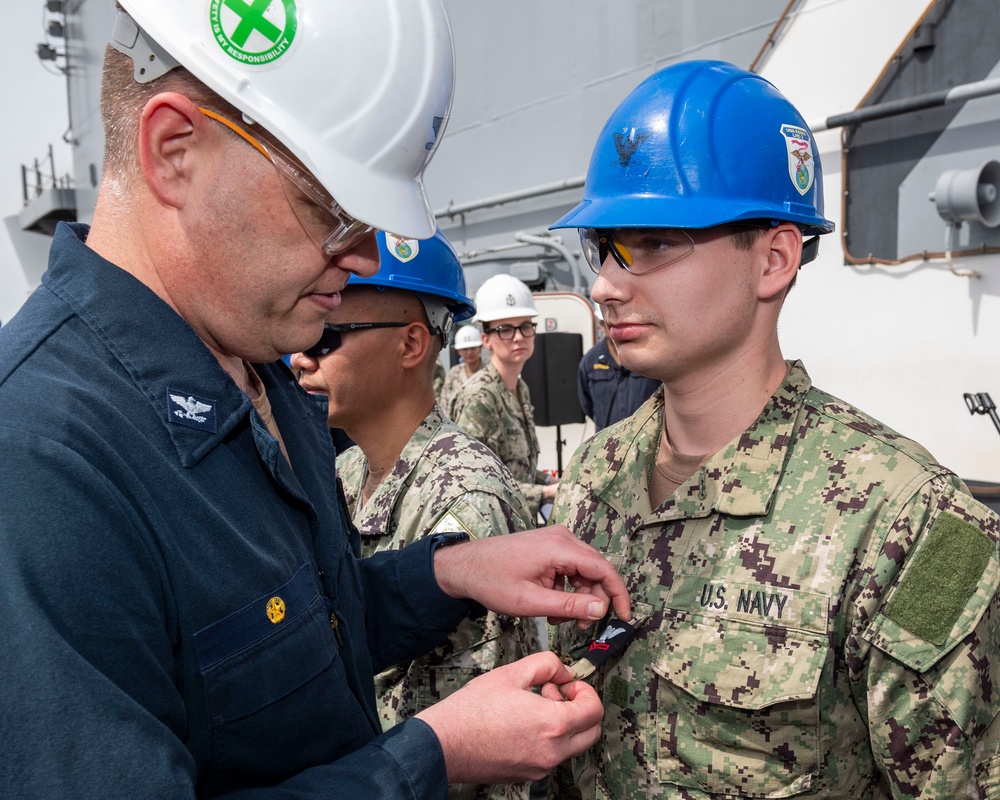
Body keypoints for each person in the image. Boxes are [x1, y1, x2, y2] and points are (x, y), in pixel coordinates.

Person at [0, 4, 633, 799]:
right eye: (332, 211)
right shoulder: (42, 462)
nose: (364, 253)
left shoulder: (261, 376)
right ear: (173, 153)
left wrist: (450, 572)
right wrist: (433, 755)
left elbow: (290, 634)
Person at [545, 59, 1000, 799]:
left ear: (774, 259)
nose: (604, 284)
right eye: (604, 247)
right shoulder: (594, 481)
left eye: (653, 243)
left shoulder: (918, 523)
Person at [292, 229, 537, 800]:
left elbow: (475, 750)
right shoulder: (345, 472)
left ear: (410, 346)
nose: (302, 355)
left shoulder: (462, 500)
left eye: (328, 335)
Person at [452, 274, 558, 519]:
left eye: (525, 326)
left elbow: (518, 470)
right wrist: (545, 493)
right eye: (505, 330)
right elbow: (476, 483)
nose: (519, 337)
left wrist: (553, 482)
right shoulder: (480, 397)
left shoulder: (520, 389)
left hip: (519, 522)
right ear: (486, 339)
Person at [577, 302, 660, 431]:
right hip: (608, 445)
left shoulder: (649, 355)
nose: (618, 328)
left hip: (646, 442)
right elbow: (586, 404)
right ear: (602, 327)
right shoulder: (590, 361)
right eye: (611, 323)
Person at [440, 322, 484, 419]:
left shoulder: (490, 372)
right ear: (459, 351)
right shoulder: (454, 374)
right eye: (465, 349)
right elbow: (445, 403)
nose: (469, 352)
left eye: (473, 348)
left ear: (480, 348)